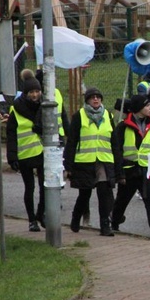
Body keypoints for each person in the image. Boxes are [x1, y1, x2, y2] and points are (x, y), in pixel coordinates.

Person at [111, 94, 150, 240]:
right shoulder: (123, 127)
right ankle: (114, 223)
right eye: (147, 105)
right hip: (129, 171)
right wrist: (120, 174)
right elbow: (117, 151)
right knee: (122, 200)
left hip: (147, 170)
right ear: (138, 108)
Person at [64, 87, 118, 236]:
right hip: (84, 162)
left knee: (104, 192)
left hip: (103, 160)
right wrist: (67, 165)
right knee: (85, 194)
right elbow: (72, 142)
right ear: (87, 100)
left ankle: (105, 225)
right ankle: (76, 217)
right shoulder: (79, 116)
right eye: (92, 97)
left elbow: (114, 143)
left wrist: (118, 167)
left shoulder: (108, 115)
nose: (96, 99)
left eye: (98, 97)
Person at [7, 72, 45, 231]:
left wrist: (42, 128)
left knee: (46, 187)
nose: (35, 95)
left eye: (37, 91)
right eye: (31, 92)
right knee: (29, 188)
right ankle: (32, 220)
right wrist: (12, 156)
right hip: (24, 154)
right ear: (26, 93)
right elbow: (11, 134)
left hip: (42, 152)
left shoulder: (45, 105)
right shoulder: (16, 109)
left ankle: (40, 214)